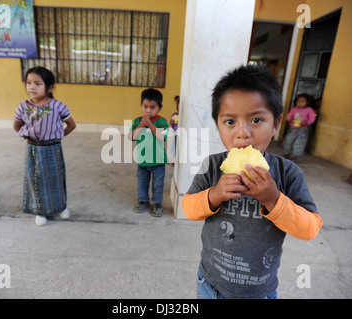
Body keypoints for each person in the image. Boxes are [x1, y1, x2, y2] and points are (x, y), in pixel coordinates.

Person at [182, 65, 322, 299]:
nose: (243, 133)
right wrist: (214, 194)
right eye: (229, 122)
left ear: (276, 124)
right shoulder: (212, 165)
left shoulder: (287, 172)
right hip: (211, 284)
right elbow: (188, 208)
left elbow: (310, 228)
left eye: (256, 119)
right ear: (218, 125)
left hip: (260, 291)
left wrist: (274, 199)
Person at [13, 66, 76, 226]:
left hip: (53, 149)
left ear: (49, 88)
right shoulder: (22, 107)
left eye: (37, 83)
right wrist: (32, 137)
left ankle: (61, 207)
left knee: (56, 178)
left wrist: (56, 137)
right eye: (28, 83)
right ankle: (40, 211)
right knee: (35, 179)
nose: (31, 87)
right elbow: (17, 126)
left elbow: (71, 125)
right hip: (33, 149)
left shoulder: (58, 106)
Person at [129, 88, 169, 217]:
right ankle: (143, 201)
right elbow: (132, 137)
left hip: (158, 162)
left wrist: (150, 124)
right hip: (142, 161)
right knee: (142, 182)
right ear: (141, 106)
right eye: (145, 106)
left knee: (158, 184)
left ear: (160, 107)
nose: (148, 110)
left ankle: (157, 204)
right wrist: (141, 125)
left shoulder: (162, 122)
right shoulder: (137, 121)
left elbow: (162, 137)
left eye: (153, 107)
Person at [282, 94, 316, 161]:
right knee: (288, 141)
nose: (300, 103)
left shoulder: (309, 110)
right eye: (298, 101)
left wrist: (306, 122)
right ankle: (287, 153)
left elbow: (312, 118)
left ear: (307, 102)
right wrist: (290, 120)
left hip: (302, 130)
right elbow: (288, 117)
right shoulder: (294, 109)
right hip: (292, 129)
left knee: (299, 142)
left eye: (302, 101)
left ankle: (294, 156)